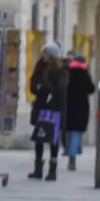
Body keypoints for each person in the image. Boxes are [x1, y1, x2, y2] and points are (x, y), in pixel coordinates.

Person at [28, 42, 69, 181]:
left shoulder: (61, 70)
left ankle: (52, 169)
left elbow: (59, 89)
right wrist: (39, 86)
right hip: (41, 108)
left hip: (55, 110)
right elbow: (33, 86)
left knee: (54, 139)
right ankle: (38, 168)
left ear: (51, 55)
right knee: (39, 137)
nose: (43, 55)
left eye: (45, 53)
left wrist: (44, 85)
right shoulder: (39, 67)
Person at [64, 54, 95, 171]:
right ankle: (72, 158)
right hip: (81, 107)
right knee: (76, 133)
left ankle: (68, 149)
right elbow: (91, 89)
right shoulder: (84, 74)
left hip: (68, 106)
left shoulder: (68, 73)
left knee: (68, 131)